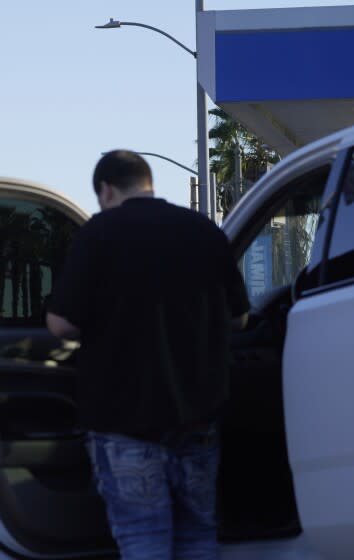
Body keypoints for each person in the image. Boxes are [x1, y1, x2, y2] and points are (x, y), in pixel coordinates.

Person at [46, 150, 249, 559]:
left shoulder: (99, 234)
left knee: (144, 539)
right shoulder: (203, 231)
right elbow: (240, 318)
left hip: (124, 423)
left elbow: (62, 324)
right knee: (199, 536)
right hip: (199, 418)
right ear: (147, 182)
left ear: (106, 190)